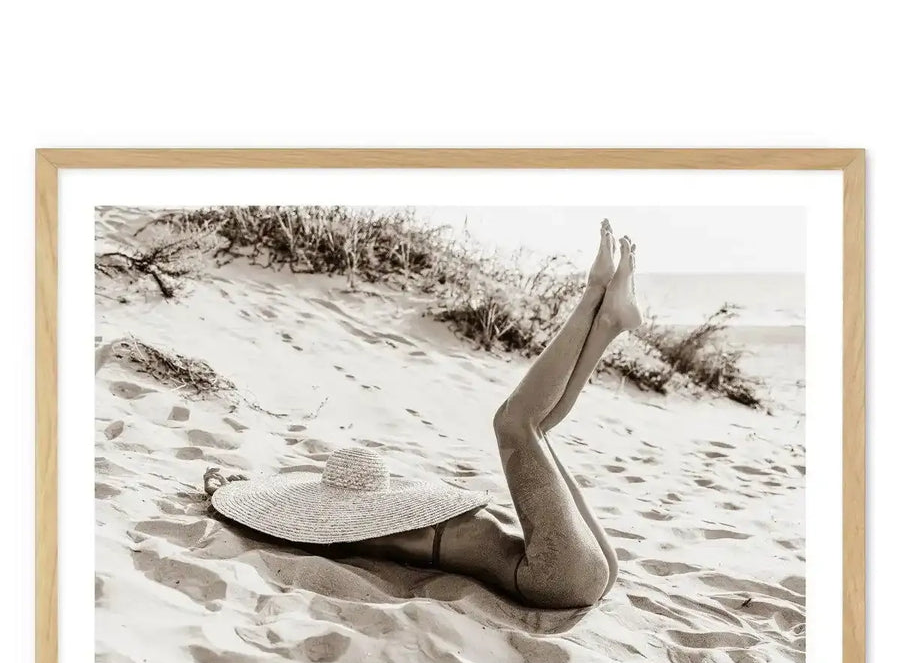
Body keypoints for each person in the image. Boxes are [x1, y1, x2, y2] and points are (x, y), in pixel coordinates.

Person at [207, 227, 642, 610]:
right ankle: (593, 297)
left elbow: (287, 512)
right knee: (513, 423)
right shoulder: (357, 533)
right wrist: (244, 502)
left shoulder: (375, 523)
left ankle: (607, 321)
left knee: (538, 428)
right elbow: (288, 526)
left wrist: (248, 491)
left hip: (578, 564)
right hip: (552, 575)